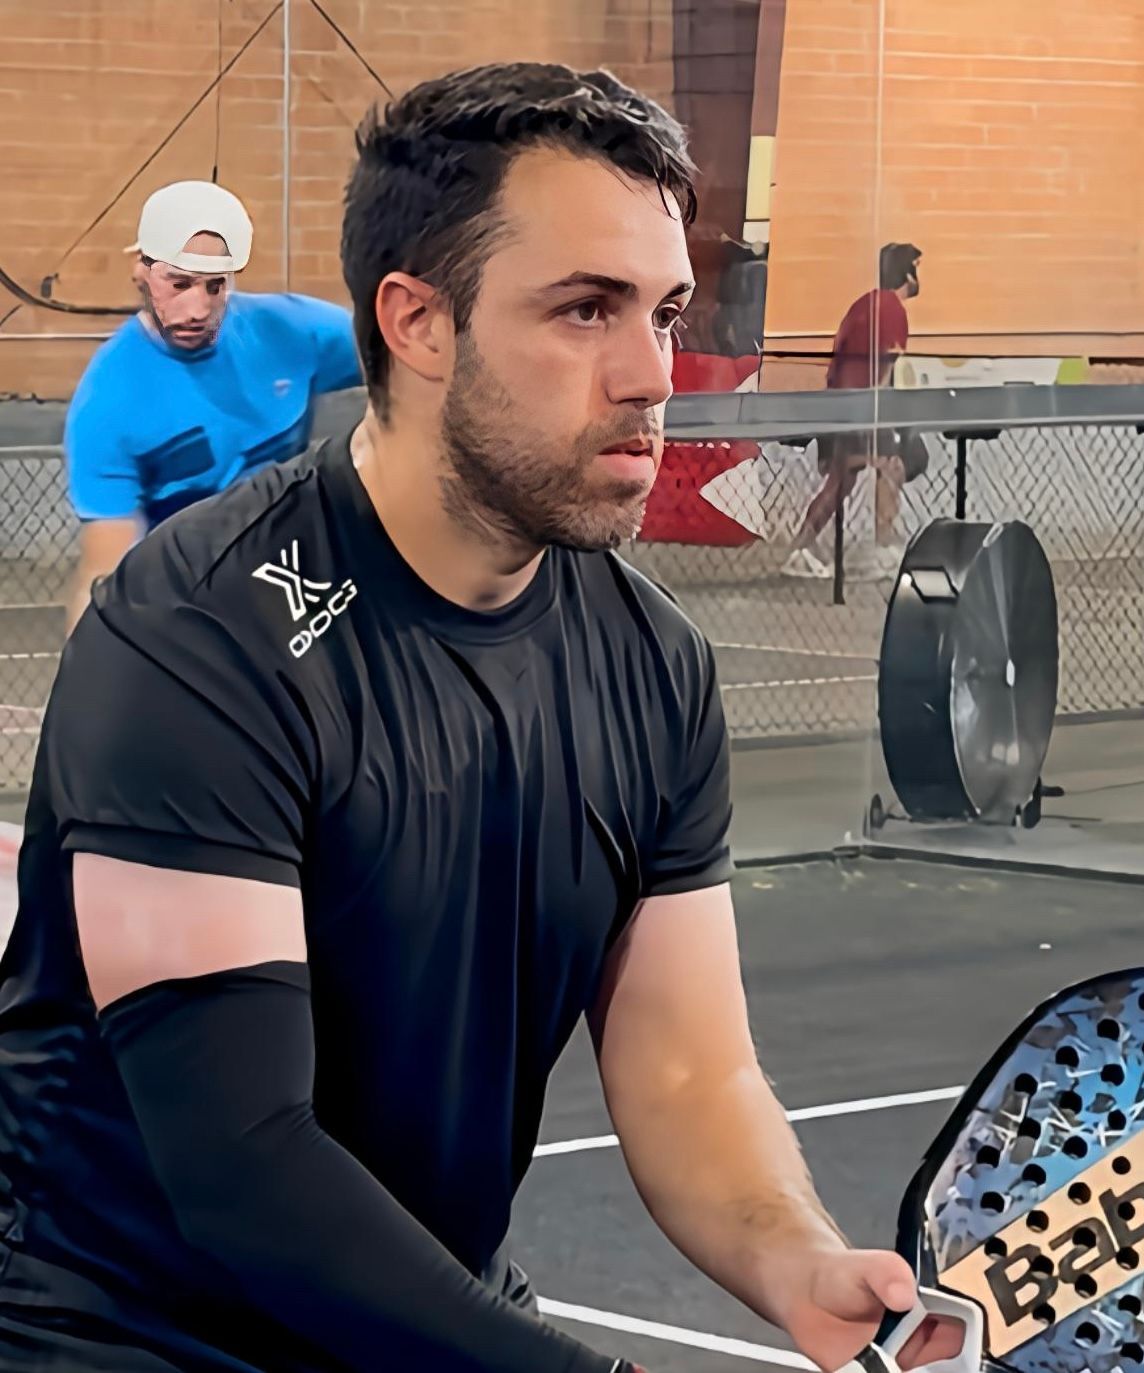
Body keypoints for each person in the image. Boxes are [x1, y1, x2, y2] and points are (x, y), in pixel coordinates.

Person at [0, 64, 961, 1373]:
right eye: (583, 310)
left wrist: (796, 1260)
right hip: (135, 1336)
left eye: (664, 312)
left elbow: (689, 1076)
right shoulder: (198, 641)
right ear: (418, 322)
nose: (649, 375)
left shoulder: (652, 665)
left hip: (429, 1320)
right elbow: (244, 1162)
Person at [61, 179, 364, 631]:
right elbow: (105, 577)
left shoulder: (294, 332)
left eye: (214, 287)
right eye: (179, 283)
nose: (197, 308)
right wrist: (86, 691)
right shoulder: (107, 406)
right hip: (192, 607)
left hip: (300, 579)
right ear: (140, 270)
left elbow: (411, 356)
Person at [782, 242, 927, 580]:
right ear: (907, 273)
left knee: (841, 481)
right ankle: (883, 549)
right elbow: (888, 369)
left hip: (843, 404)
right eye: (917, 268)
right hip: (865, 405)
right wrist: (890, 421)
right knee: (891, 466)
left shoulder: (866, 304)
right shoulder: (892, 309)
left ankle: (800, 548)